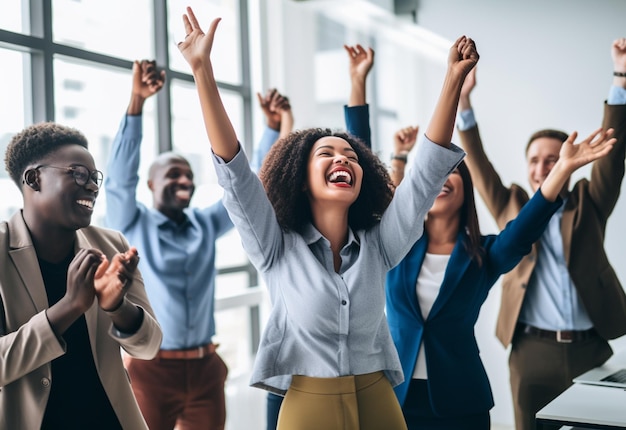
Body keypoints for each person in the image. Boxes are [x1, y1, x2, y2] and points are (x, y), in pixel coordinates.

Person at [177, 7, 471, 429]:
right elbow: (236, 176)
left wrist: (453, 80)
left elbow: (424, 176)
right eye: (327, 154)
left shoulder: (380, 244)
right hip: (307, 405)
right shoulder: (274, 245)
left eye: (351, 156)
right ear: (299, 179)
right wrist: (202, 70)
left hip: (379, 400)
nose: (343, 159)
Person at [384, 121, 615, 429]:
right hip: (395, 397)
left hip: (460, 402)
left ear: (467, 187)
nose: (441, 178)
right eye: (433, 174)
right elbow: (380, 201)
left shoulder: (484, 254)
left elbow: (522, 232)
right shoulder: (393, 245)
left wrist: (562, 170)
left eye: (451, 171)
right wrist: (397, 157)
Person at [104, 59, 290, 430]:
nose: (184, 181)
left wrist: (272, 128)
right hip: (151, 369)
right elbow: (119, 180)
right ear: (152, 184)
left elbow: (245, 187)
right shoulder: (131, 223)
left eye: (188, 175)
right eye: (173, 174)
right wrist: (137, 103)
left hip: (206, 368)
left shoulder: (205, 223)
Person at [456, 38, 626, 430]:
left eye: (553, 158)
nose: (543, 167)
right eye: (535, 160)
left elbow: (614, 157)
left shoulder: (589, 202)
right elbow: (478, 164)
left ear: (571, 159)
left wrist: (620, 75)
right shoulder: (510, 203)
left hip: (590, 350)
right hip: (530, 350)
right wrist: (463, 101)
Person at [0, 122, 162, 429]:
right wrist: (70, 306)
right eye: (77, 173)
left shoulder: (112, 245)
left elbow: (149, 346)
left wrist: (117, 307)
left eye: (94, 178)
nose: (92, 186)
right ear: (34, 179)